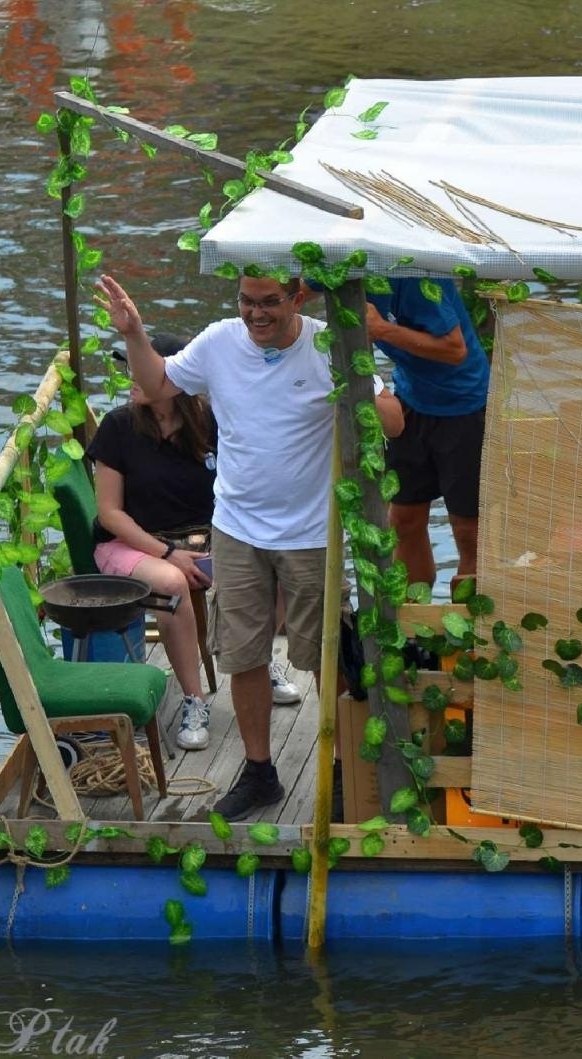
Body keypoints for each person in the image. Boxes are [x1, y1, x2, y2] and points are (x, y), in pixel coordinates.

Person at [95, 273, 402, 820]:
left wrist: (355, 375)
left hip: (311, 534)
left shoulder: (328, 343)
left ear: (297, 299)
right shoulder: (218, 341)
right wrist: (136, 333)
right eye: (246, 302)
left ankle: (339, 764)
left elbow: (394, 424)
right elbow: (159, 383)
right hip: (236, 529)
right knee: (244, 654)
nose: (256, 314)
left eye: (269, 304)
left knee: (324, 656)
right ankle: (260, 771)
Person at [87, 331, 216, 751]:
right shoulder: (118, 427)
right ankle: (194, 700)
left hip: (197, 539)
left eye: (141, 366)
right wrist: (168, 554)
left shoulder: (207, 423)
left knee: (263, 558)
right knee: (172, 583)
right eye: (129, 366)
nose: (131, 375)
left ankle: (264, 664)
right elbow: (110, 513)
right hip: (129, 544)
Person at [363, 278, 489, 593]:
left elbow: (455, 348)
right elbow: (295, 289)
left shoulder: (416, 276)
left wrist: (382, 330)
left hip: (463, 405)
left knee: (468, 532)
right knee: (403, 520)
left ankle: (469, 635)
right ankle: (415, 629)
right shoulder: (344, 264)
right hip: (412, 400)